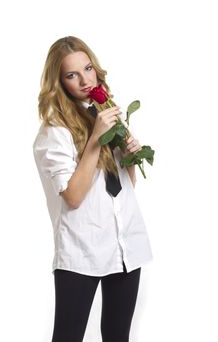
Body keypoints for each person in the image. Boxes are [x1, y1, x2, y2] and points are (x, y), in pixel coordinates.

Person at [33, 35, 153, 342]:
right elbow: (73, 197)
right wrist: (97, 139)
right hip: (81, 250)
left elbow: (127, 185)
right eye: (72, 75)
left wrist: (128, 154)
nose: (85, 80)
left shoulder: (105, 112)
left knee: (117, 336)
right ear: (59, 82)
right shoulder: (54, 131)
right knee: (68, 337)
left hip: (125, 245)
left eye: (88, 69)